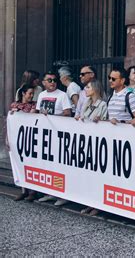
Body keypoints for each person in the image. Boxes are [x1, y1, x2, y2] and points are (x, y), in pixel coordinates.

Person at [34, 71, 72, 206]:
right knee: (47, 165)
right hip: (45, 135)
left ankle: (62, 195)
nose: (52, 82)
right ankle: (49, 193)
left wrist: (53, 117)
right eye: (49, 80)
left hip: (58, 135)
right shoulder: (41, 95)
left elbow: (68, 113)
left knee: (59, 166)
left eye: (55, 80)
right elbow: (38, 113)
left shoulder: (62, 95)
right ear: (43, 82)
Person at [76, 80, 108, 217]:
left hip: (97, 143)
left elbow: (105, 121)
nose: (85, 89)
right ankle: (89, 202)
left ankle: (97, 204)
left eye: (88, 87)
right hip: (86, 142)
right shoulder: (87, 103)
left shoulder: (103, 104)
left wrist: (100, 121)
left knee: (98, 176)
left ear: (94, 89)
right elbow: (82, 117)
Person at [10, 84, 37, 202]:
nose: (31, 96)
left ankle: (32, 192)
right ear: (23, 93)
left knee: (31, 164)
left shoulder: (34, 104)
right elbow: (10, 121)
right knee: (20, 164)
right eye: (29, 93)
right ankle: (23, 191)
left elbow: (31, 117)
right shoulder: (14, 105)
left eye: (32, 93)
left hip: (30, 138)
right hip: (17, 137)